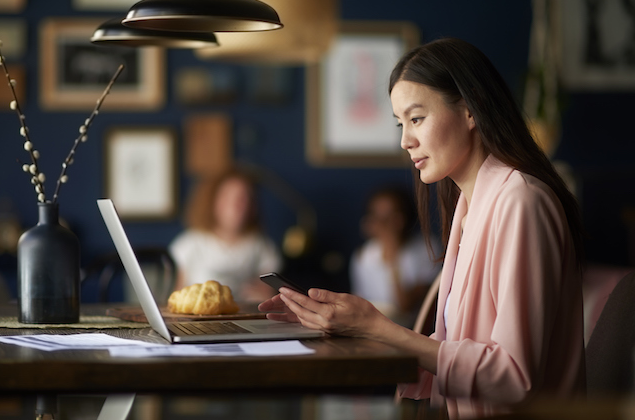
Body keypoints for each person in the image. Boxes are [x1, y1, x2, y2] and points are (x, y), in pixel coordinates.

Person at [259, 38, 585, 418]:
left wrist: (379, 328)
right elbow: (454, 347)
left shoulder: (521, 201)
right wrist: (355, 328)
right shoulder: (470, 205)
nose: (405, 140)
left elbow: (512, 377)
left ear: (469, 110)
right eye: (400, 123)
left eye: (417, 119)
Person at [170, 167, 282, 302]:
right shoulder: (189, 243)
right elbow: (174, 297)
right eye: (228, 197)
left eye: (243, 198)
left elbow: (269, 294)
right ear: (213, 201)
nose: (236, 205)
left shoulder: (261, 245)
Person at [350, 186, 439, 325]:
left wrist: (392, 256)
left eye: (390, 217)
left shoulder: (427, 249)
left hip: (411, 328)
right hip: (372, 326)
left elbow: (405, 306)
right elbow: (359, 304)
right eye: (377, 217)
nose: (383, 224)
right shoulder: (363, 255)